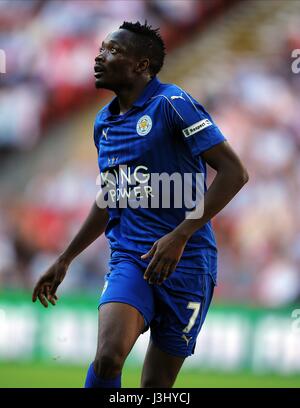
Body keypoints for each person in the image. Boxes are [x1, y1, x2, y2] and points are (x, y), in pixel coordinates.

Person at [32, 21, 249, 388]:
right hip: (131, 257)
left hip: (189, 262)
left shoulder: (172, 104)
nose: (99, 56)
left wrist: (181, 235)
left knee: (155, 387)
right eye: (101, 48)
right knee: (108, 355)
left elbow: (234, 172)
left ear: (141, 65)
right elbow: (110, 197)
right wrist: (66, 258)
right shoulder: (104, 123)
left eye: (112, 51)